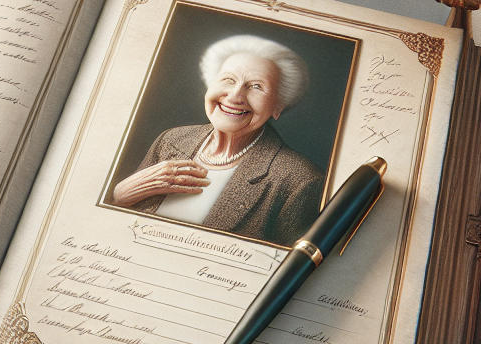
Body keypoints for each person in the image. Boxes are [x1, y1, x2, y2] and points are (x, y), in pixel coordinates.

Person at [111, 34, 323, 246]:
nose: (234, 96)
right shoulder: (171, 139)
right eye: (228, 80)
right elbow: (117, 230)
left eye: (256, 86)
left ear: (278, 106)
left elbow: (286, 266)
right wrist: (120, 197)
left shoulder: (298, 179)